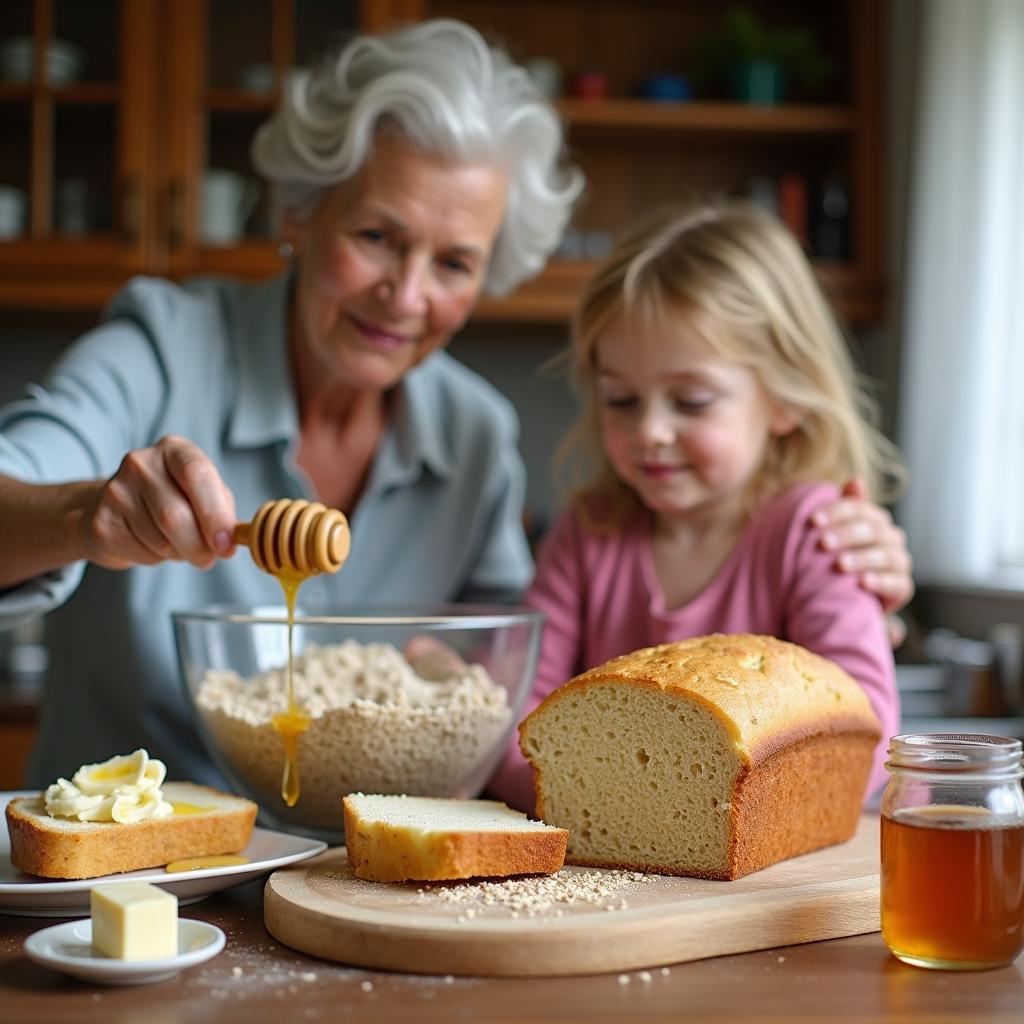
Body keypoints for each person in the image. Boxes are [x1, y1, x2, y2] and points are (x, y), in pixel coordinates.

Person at [0, 20, 910, 791]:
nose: (404, 295)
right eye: (374, 236)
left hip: (359, 884)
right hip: (129, 874)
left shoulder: (476, 436)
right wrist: (85, 514)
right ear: (297, 212)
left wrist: (849, 575)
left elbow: (504, 692)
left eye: (453, 263)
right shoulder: (161, 348)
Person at [489, 200, 906, 812]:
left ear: (785, 401)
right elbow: (515, 720)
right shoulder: (588, 534)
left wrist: (703, 810)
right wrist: (627, 807)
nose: (651, 430)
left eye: (692, 400)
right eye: (622, 400)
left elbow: (861, 728)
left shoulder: (813, 533)